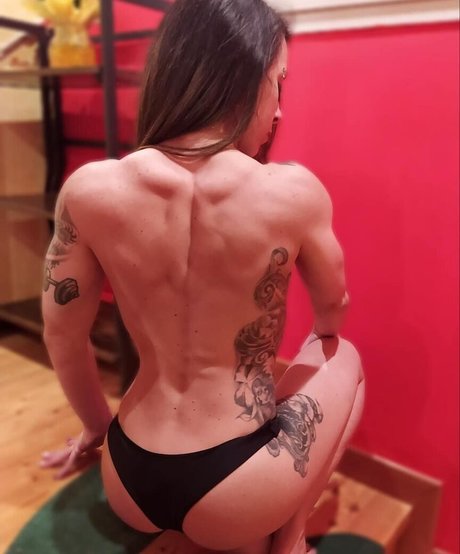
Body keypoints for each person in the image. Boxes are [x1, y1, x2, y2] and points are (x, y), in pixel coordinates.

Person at [39, 0, 366, 552]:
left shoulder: (89, 190)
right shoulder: (293, 191)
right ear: (243, 79)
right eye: (278, 82)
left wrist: (96, 429)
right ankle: (289, 536)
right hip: (239, 490)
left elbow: (62, 335)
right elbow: (332, 314)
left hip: (129, 478)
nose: (279, 111)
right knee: (346, 355)